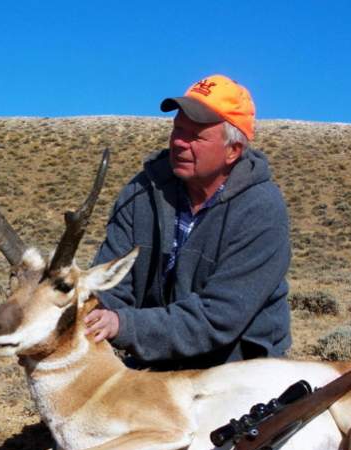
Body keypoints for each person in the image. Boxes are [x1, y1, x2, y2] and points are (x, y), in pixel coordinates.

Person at [84, 74, 292, 370]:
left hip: (236, 369)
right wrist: (91, 312)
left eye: (196, 136)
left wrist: (124, 325)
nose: (179, 143)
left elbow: (217, 317)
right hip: (157, 364)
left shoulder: (261, 209)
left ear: (232, 150)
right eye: (177, 130)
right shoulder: (142, 191)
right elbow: (110, 283)